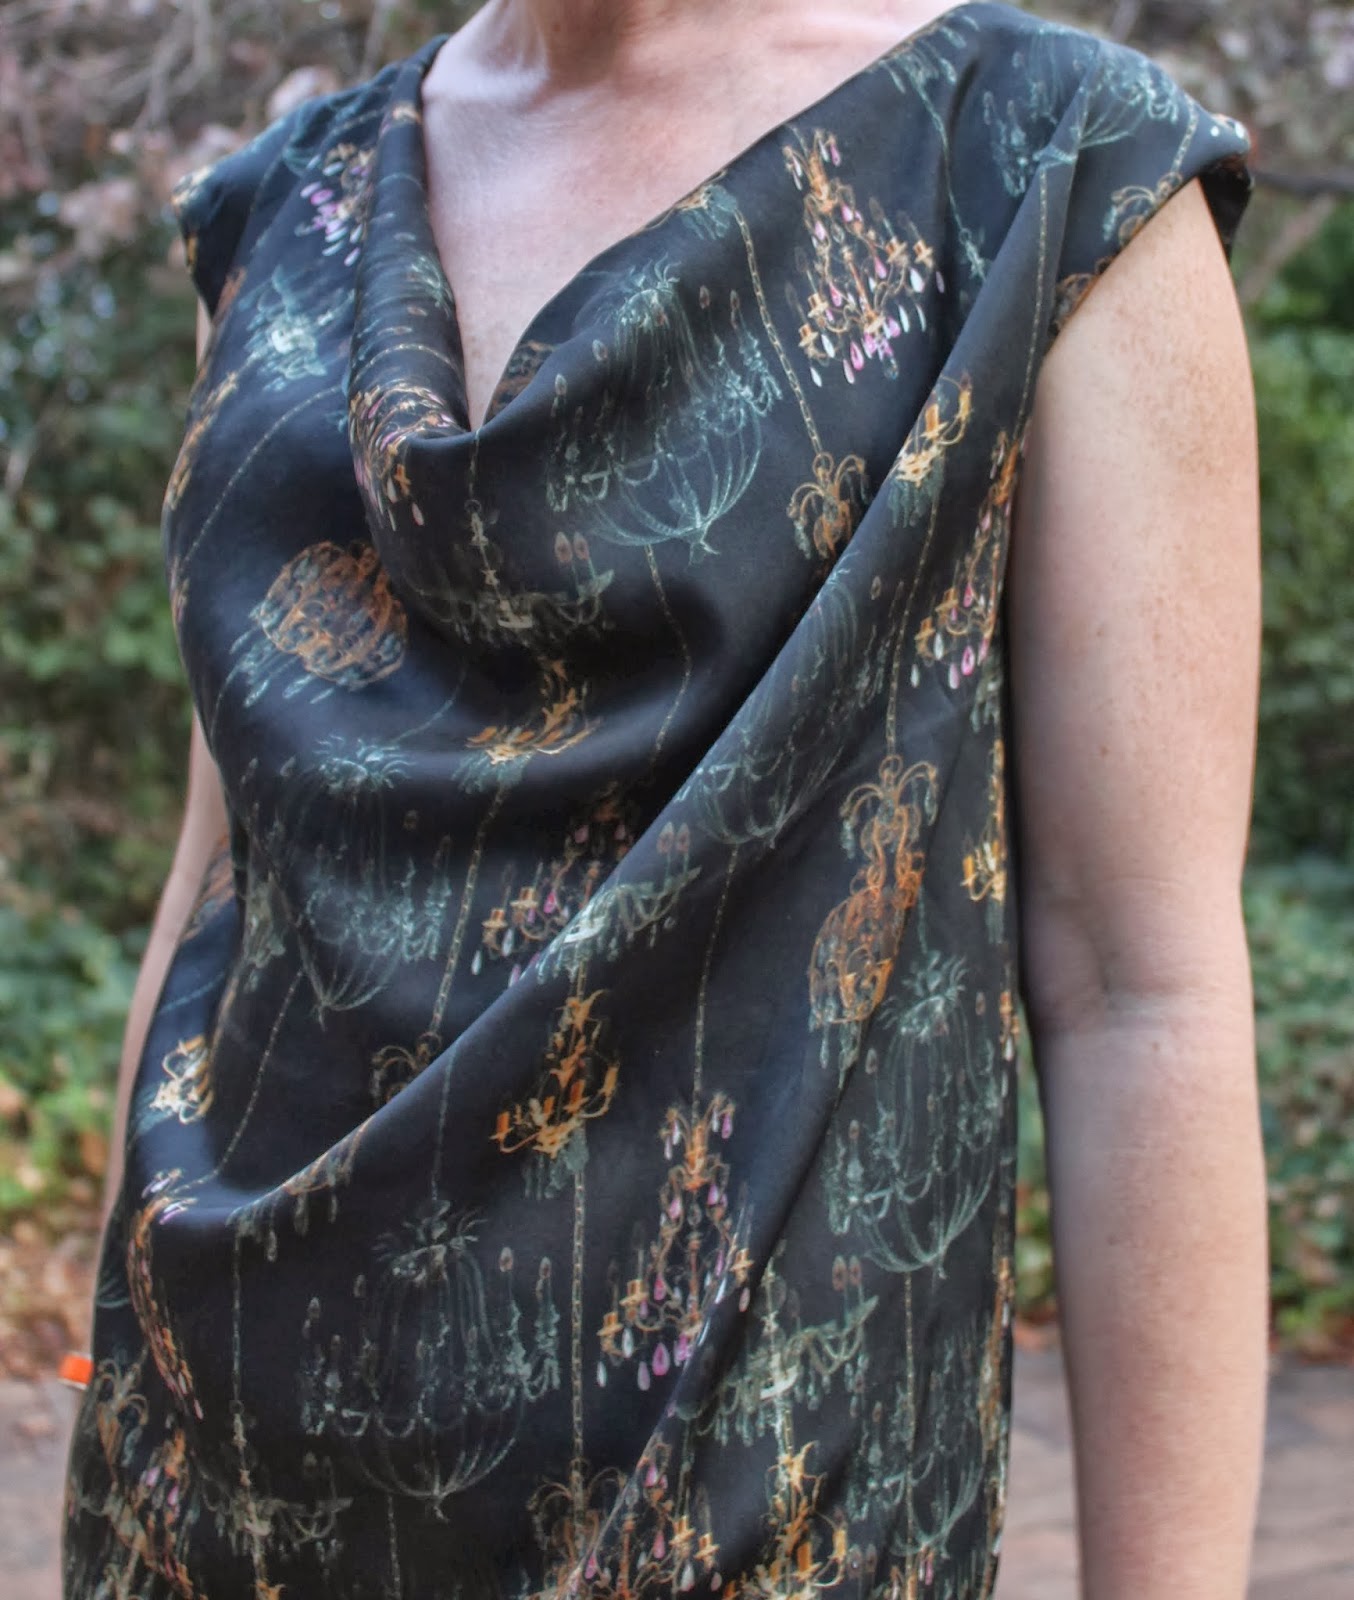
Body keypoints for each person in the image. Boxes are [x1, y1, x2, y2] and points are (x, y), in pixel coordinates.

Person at [62, 1, 1269, 1595]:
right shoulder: (281, 211)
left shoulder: (1049, 165)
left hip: (753, 1525)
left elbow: (1139, 993)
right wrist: (101, 1409)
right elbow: (220, 877)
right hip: (206, 1508)